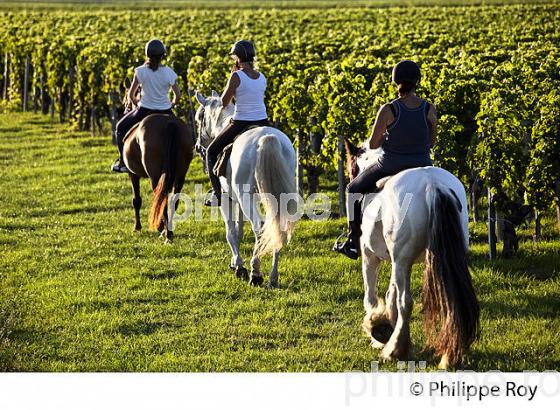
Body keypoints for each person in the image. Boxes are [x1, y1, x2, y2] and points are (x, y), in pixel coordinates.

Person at [334, 60, 437, 259]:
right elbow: (431, 142)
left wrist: (386, 136)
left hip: (391, 164)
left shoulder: (390, 109)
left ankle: (353, 241)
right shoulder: (429, 109)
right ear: (418, 81)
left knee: (352, 189)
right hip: (424, 164)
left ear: (395, 81)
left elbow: (372, 145)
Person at [205, 40, 269, 206]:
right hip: (263, 121)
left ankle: (217, 194)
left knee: (211, 151)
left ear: (237, 58)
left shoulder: (236, 76)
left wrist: (231, 80)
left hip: (241, 122)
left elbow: (225, 102)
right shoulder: (262, 76)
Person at [111, 39, 180, 173]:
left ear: (147, 55)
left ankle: (123, 162)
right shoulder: (170, 73)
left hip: (144, 110)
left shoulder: (140, 71)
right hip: (166, 110)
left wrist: (137, 104)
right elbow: (178, 96)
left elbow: (131, 95)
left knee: (120, 128)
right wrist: (171, 104)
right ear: (163, 55)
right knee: (181, 130)